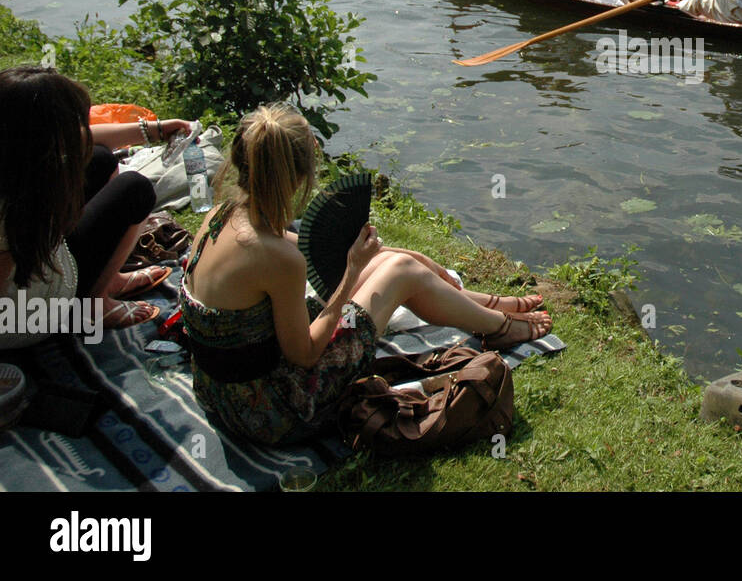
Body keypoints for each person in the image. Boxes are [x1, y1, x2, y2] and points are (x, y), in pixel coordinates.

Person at [179, 103, 551, 446]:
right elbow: (306, 355)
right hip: (275, 411)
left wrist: (391, 255)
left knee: (394, 261)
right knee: (399, 272)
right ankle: (500, 328)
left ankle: (492, 307)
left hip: (218, 391)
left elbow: (311, 252)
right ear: (295, 176)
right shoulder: (276, 259)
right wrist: (353, 271)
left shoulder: (223, 214)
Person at [0, 67, 186, 346]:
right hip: (29, 316)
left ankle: (108, 280)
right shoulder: (14, 206)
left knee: (99, 159)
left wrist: (155, 130)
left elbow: (86, 140)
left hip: (35, 275)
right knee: (134, 190)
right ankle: (93, 305)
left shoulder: (16, 156)